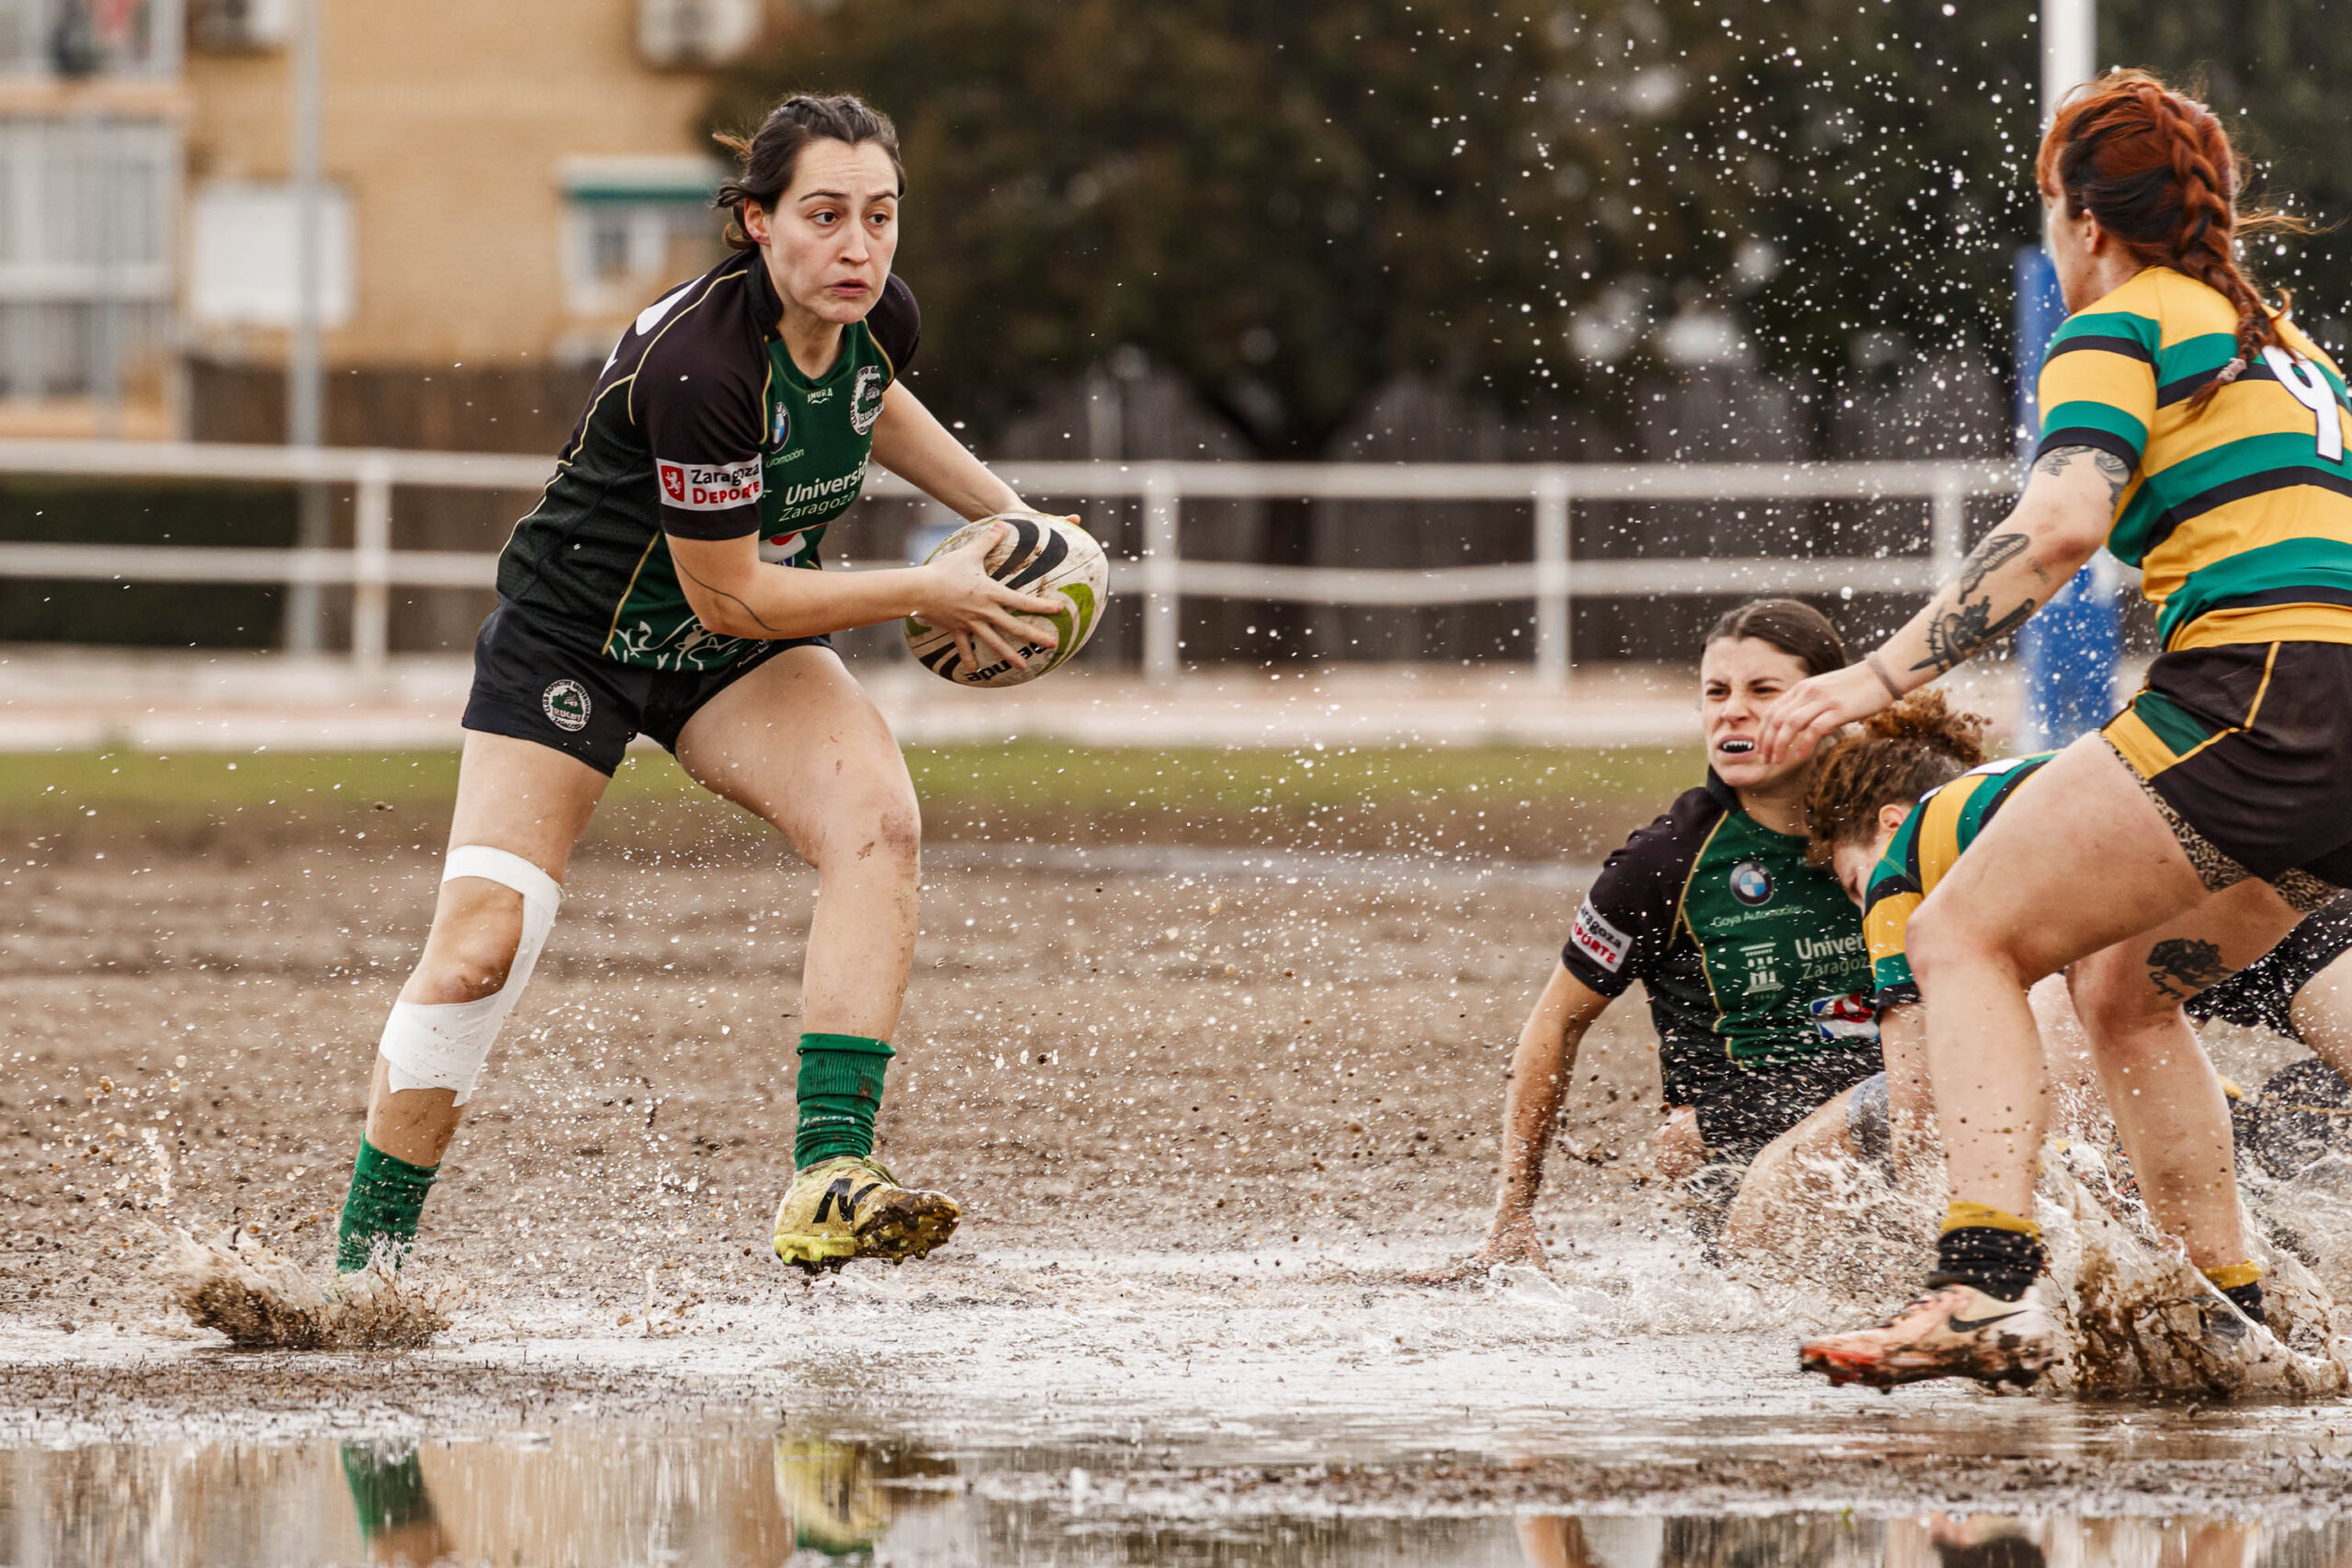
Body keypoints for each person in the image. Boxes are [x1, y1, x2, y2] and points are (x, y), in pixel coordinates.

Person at [331, 93, 1068, 1280]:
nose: (858, 246)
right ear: (757, 220)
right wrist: (927, 587)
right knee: (481, 945)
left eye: (880, 216)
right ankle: (364, 1265)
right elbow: (734, 596)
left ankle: (833, 1170)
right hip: (579, 640)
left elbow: (874, 404)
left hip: (731, 651)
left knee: (876, 819)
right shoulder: (705, 364)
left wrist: (1009, 511)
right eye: (825, 215)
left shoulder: (876, 316)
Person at [1760, 71, 2352, 1387]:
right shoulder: (2286, 343)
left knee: (1961, 925)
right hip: (2334, 713)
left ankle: (1979, 1284)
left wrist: (1872, 675)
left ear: (2083, 221)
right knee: (2127, 988)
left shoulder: (2122, 321)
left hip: (2259, 692)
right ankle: (2232, 1304)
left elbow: (2062, 525)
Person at [1726, 697, 2352, 1259]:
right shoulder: (2025, 795)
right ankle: (2255, 1186)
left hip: (2189, 911)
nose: (1865, 908)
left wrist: (1947, 1246)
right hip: (2268, 849)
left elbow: (1922, 1109)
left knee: (2066, 1085)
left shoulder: (1904, 864)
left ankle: (2227, 1229)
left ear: (1890, 824)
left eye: (1855, 885)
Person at [1430, 598, 1883, 1277]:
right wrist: (1512, 1215)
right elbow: (1553, 1026)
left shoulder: (1897, 825)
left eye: (1763, 691)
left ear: (1827, 702)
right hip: (1753, 1183)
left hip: (1891, 1121)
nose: (1732, 710)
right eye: (1715, 692)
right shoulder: (1665, 862)